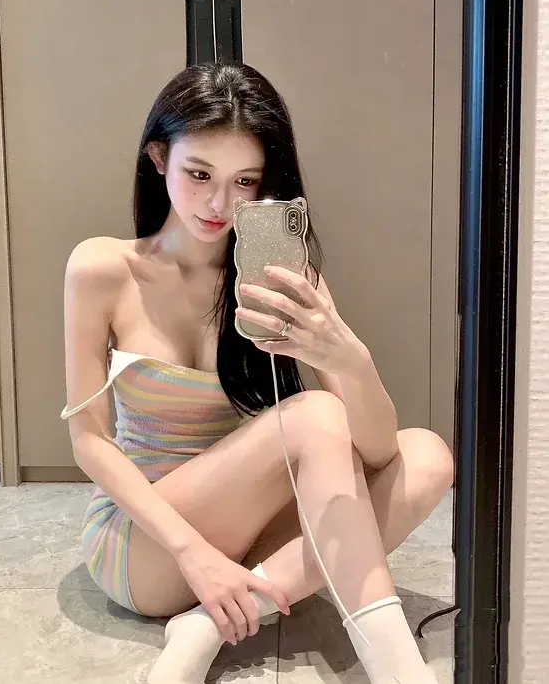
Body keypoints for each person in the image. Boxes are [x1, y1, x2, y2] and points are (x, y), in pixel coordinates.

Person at [61, 61, 454, 684]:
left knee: (427, 457)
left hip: (246, 540)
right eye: (199, 174)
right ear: (158, 158)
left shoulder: (282, 278)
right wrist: (194, 555)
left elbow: (380, 451)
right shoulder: (103, 268)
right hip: (147, 542)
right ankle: (401, 670)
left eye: (244, 181)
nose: (220, 204)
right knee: (316, 415)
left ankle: (206, 625)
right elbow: (90, 441)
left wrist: (346, 356)